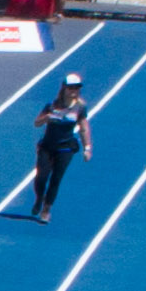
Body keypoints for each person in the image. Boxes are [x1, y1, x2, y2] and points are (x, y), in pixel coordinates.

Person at [29, 68, 92, 223]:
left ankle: (46, 210)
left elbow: (84, 127)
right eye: (71, 87)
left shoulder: (80, 107)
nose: (74, 91)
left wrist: (87, 148)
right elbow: (37, 123)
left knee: (56, 179)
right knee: (41, 178)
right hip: (47, 147)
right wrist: (47, 118)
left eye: (77, 87)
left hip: (65, 148)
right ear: (64, 88)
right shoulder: (52, 105)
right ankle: (39, 198)